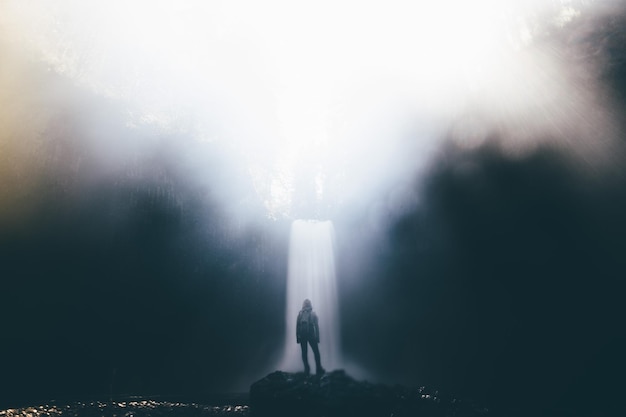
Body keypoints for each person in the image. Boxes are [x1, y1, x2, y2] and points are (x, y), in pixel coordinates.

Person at [296, 299, 325, 375]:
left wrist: (297, 338)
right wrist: (317, 338)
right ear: (310, 305)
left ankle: (307, 369)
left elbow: (297, 326)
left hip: (302, 336)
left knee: (304, 353)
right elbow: (316, 327)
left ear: (303, 305)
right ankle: (318, 369)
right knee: (316, 352)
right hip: (311, 335)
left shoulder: (300, 314)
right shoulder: (313, 314)